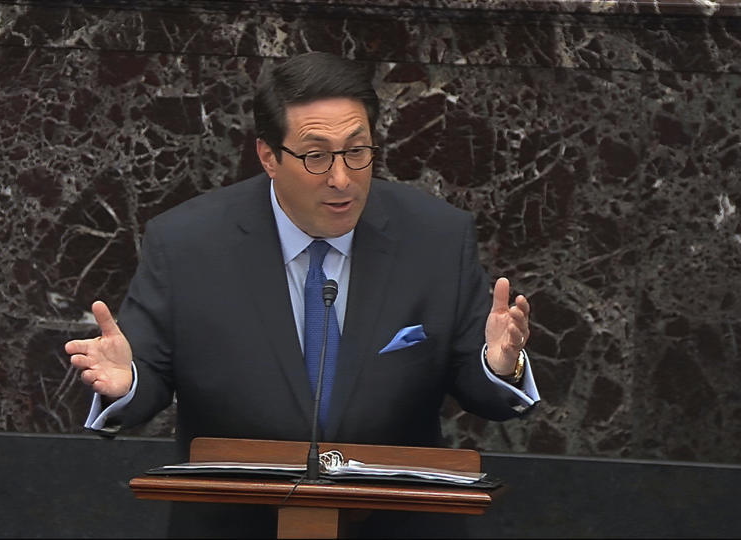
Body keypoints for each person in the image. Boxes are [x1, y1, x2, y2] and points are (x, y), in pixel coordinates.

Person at [65, 51, 539, 537]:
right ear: (269, 156)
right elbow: (148, 376)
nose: (341, 178)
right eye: (316, 156)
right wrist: (126, 382)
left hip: (397, 524)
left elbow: (481, 386)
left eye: (357, 151)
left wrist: (502, 365)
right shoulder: (187, 244)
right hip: (234, 524)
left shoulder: (435, 237)